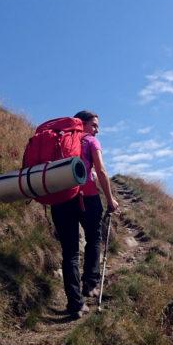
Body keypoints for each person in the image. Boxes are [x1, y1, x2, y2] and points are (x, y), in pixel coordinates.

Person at [49, 110, 119, 319]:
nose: (97, 130)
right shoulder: (89, 142)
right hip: (87, 198)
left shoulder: (58, 140)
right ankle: (90, 284)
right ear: (83, 124)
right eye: (94, 125)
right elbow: (102, 171)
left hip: (60, 200)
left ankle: (75, 304)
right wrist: (110, 199)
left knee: (69, 252)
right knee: (94, 239)